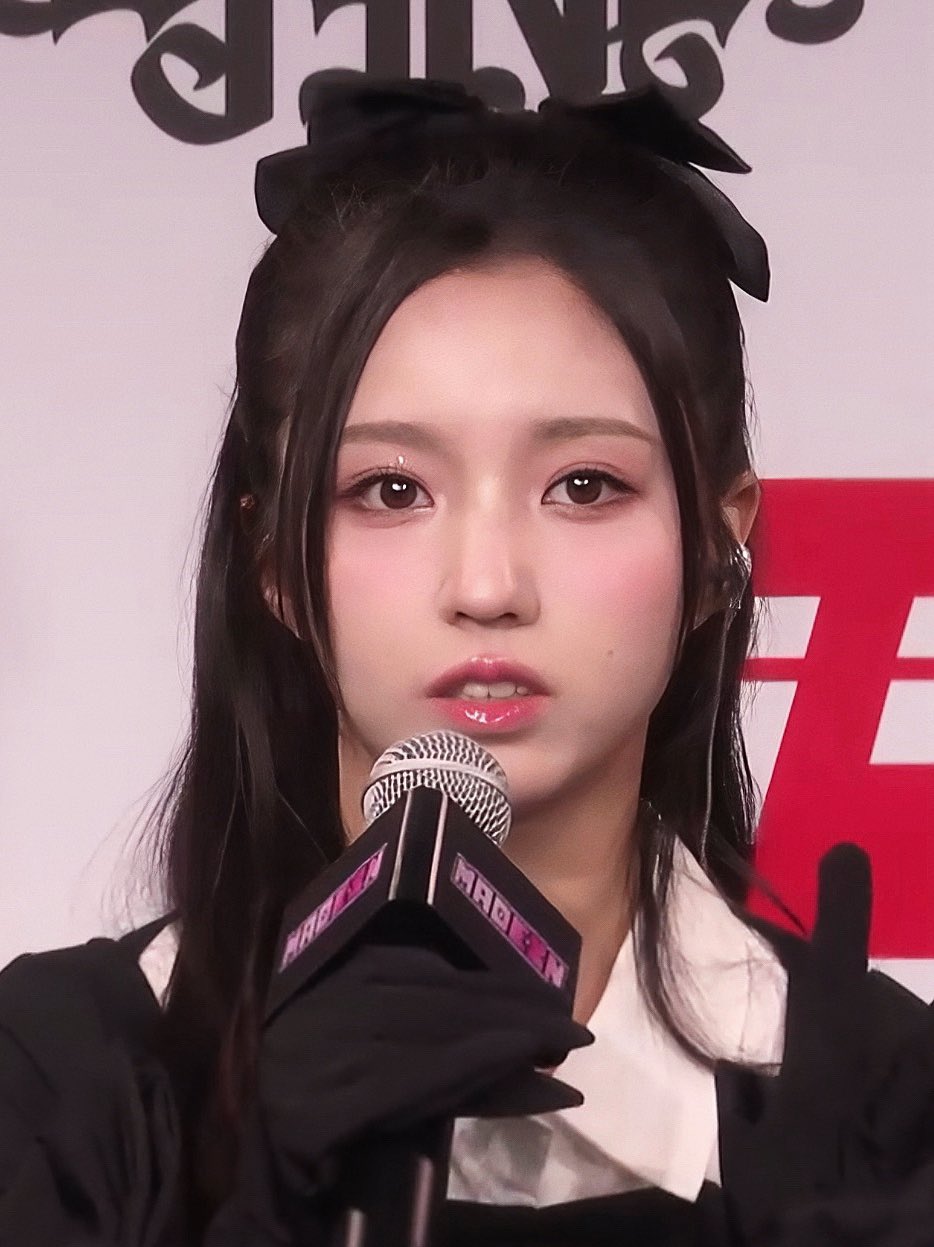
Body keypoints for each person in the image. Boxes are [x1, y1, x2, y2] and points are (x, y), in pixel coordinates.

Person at [0, 75, 932, 1247]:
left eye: (583, 485)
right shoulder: (57, 1084)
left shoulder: (886, 1112)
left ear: (714, 544)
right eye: (390, 489)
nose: (486, 584)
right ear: (275, 562)